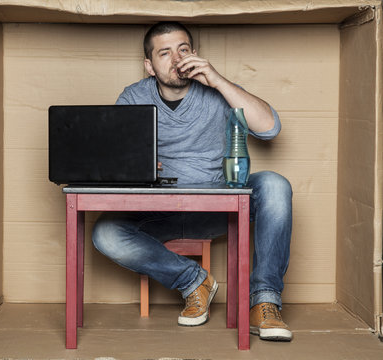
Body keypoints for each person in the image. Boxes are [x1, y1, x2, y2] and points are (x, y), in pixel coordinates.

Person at [92, 21, 293, 342]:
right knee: (105, 233)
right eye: (165, 53)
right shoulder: (133, 96)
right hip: (158, 213)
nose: (176, 59)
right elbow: (119, 161)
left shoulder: (219, 90)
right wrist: (137, 166)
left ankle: (265, 301)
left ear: (195, 54)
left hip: (216, 209)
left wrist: (216, 80)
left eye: (183, 50)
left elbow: (269, 128)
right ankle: (193, 281)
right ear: (149, 65)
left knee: (274, 184)